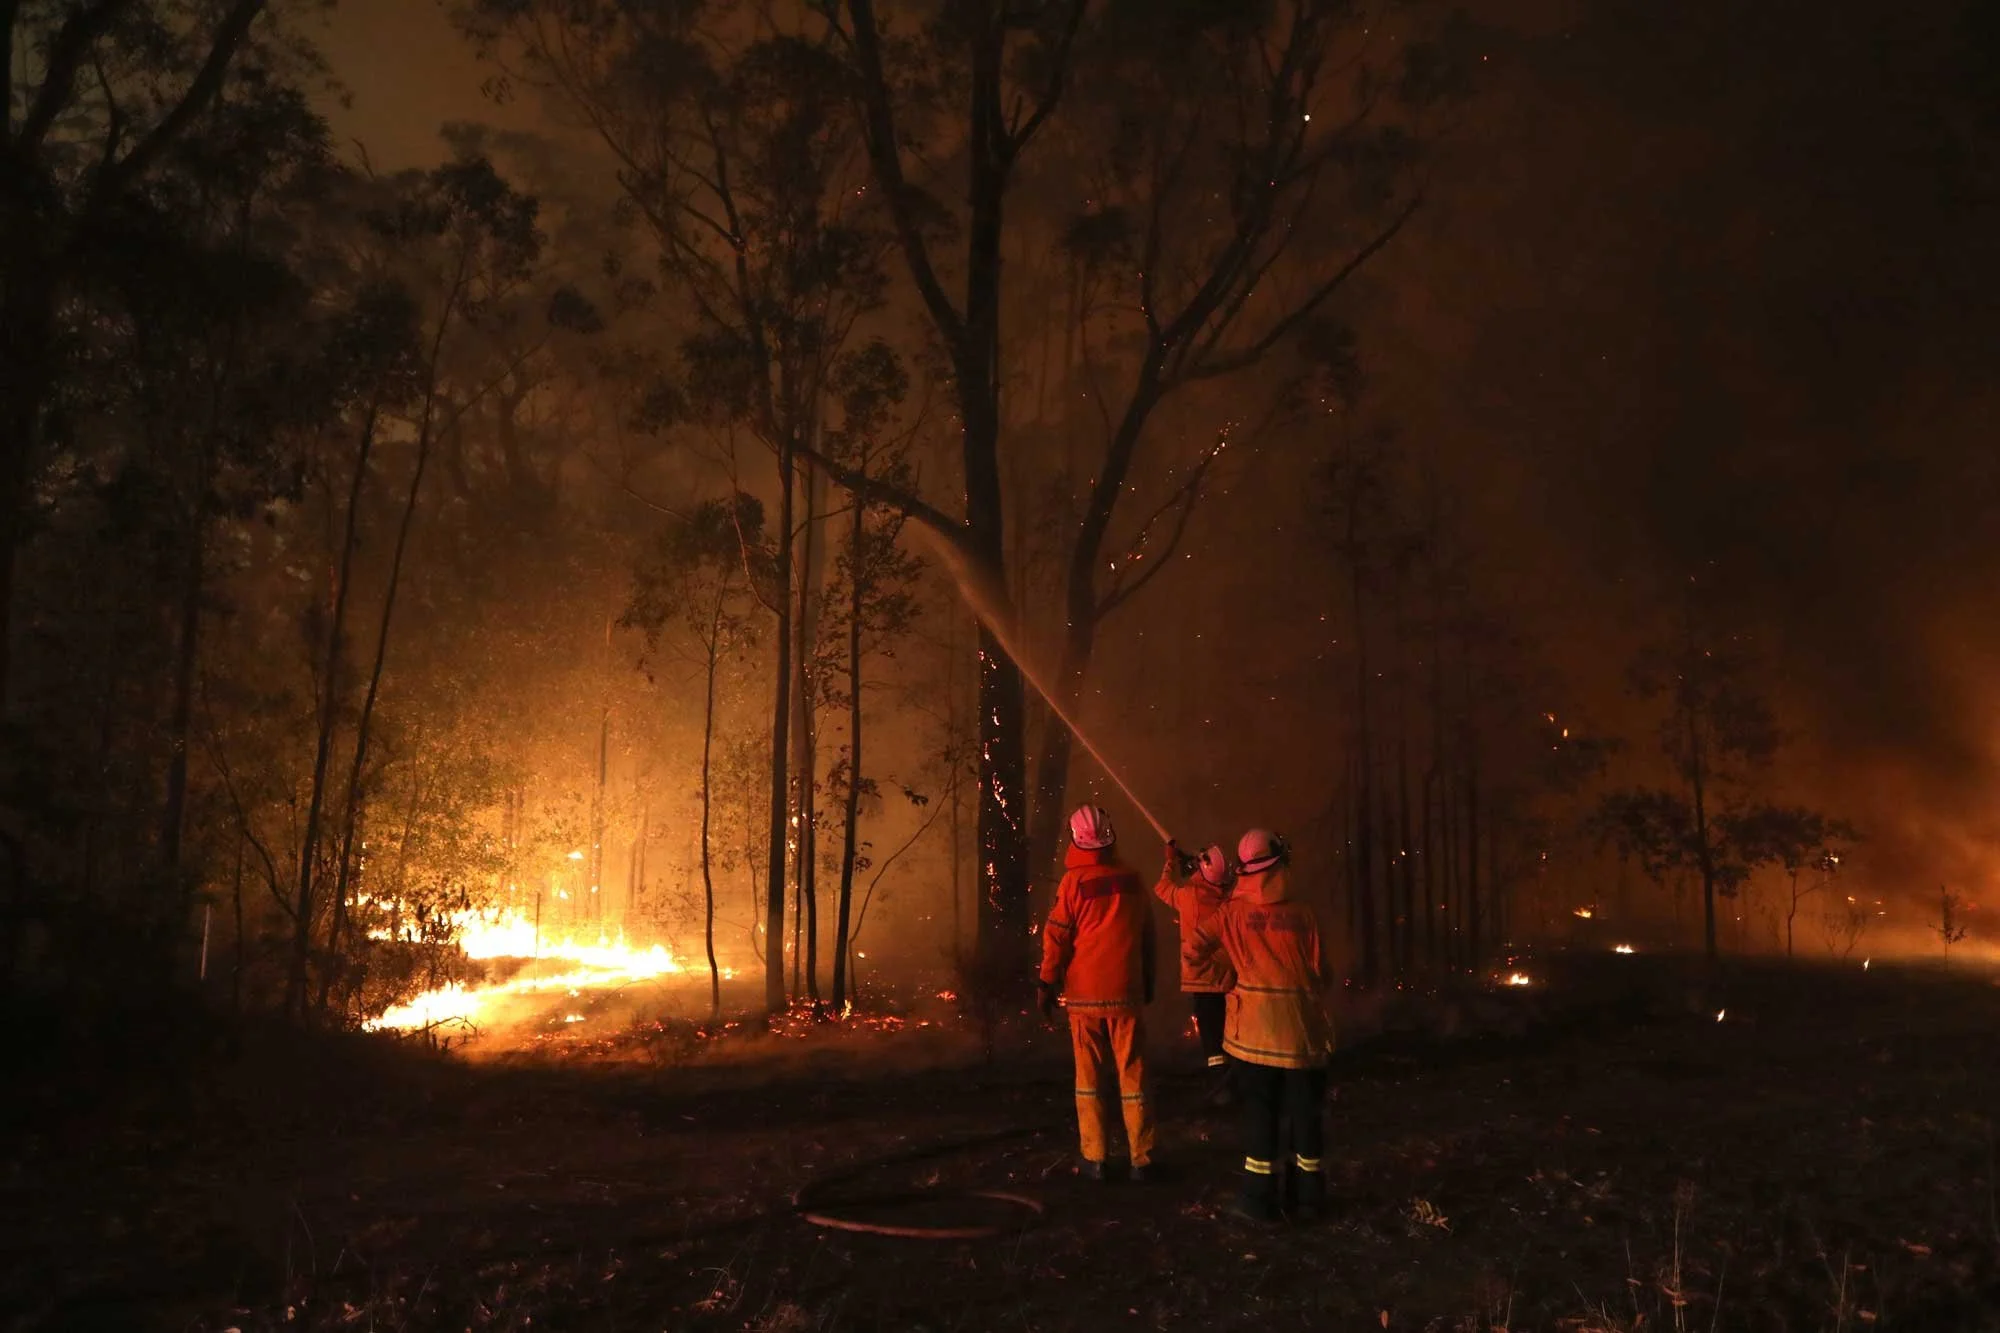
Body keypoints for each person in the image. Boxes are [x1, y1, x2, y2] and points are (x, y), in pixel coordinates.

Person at [1188, 828, 1332, 1223]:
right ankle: (1309, 1200)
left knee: (1261, 1116)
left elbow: (1193, 950)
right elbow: (1323, 972)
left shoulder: (1231, 913)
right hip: (1302, 1034)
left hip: (1253, 1038)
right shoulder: (1304, 912)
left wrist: (1224, 981)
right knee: (1305, 1116)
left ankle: (1258, 1201)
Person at [1038, 804, 1157, 1181]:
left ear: (1075, 840)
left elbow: (1056, 937)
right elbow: (1148, 938)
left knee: (1089, 1078)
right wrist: (1146, 983)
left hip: (1086, 998)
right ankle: (1143, 1159)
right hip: (1127, 994)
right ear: (1111, 836)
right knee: (1133, 1075)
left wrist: (1046, 983)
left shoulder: (1072, 884)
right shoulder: (1134, 880)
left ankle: (1096, 1158)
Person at [1153, 840, 1237, 1104]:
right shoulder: (1230, 898)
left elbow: (1163, 888)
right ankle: (1235, 1080)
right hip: (1229, 978)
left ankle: (1220, 1086)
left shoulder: (1189, 895)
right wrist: (1189, 862)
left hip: (1202, 981)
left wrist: (1170, 863)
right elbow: (1207, 881)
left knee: (1212, 1040)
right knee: (1229, 1032)